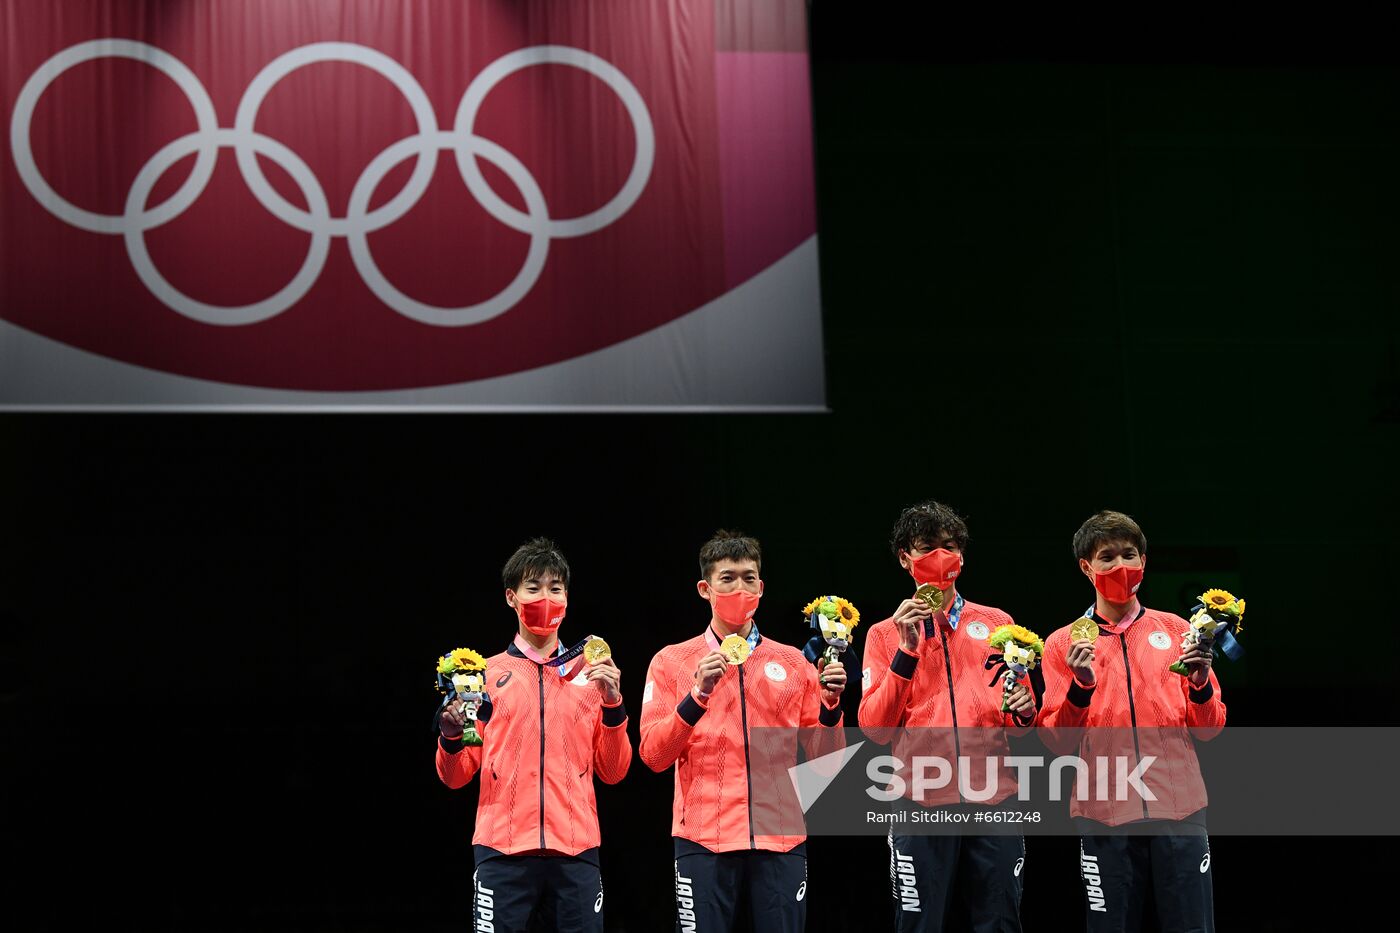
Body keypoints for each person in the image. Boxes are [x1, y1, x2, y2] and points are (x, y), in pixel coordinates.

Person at [640, 529, 846, 932]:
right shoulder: (671, 662)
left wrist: (832, 707)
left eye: (749, 577)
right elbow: (653, 755)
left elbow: (827, 766)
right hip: (703, 841)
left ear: (762, 586)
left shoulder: (793, 663)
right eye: (728, 578)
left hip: (781, 840)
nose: (740, 586)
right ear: (705, 588)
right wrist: (696, 696)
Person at [1038, 510, 1225, 932]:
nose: (1120, 566)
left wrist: (1199, 685)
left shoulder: (1178, 630)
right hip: (1104, 813)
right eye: (1107, 557)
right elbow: (1055, 741)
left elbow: (1211, 728)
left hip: (1179, 808)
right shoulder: (1063, 643)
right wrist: (1080, 687)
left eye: (1129, 554)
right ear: (1087, 568)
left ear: (1144, 561)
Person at [435, 537, 632, 932]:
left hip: (575, 851)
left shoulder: (592, 675)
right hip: (501, 851)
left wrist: (614, 705)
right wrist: (451, 736)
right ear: (511, 597)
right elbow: (456, 775)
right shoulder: (482, 676)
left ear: (567, 598)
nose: (546, 597)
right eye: (533, 587)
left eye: (555, 589)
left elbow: (613, 771)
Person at [858, 500, 1037, 932]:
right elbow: (875, 729)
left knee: (999, 923)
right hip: (920, 802)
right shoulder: (883, 634)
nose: (941, 556)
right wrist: (907, 649)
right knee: (919, 925)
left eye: (950, 545)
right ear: (905, 558)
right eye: (927, 546)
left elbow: (1024, 720)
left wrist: (1026, 713)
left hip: (994, 799)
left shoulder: (999, 625)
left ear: (962, 556)